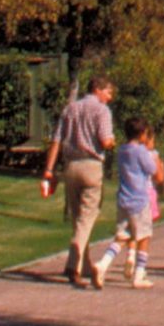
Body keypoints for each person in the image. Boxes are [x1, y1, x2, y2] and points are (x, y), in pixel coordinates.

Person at [41, 75, 116, 288]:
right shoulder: (102, 111)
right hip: (91, 165)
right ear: (99, 89)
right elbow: (105, 140)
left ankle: (83, 263)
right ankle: (73, 262)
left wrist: (49, 169)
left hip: (71, 165)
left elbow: (56, 140)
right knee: (88, 216)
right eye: (108, 92)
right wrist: (111, 142)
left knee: (77, 216)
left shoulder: (70, 109)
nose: (109, 98)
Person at [99, 117, 162, 287]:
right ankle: (139, 275)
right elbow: (152, 169)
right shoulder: (140, 151)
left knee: (122, 236)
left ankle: (103, 264)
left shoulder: (122, 150)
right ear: (142, 134)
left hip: (124, 198)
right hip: (139, 199)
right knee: (144, 236)